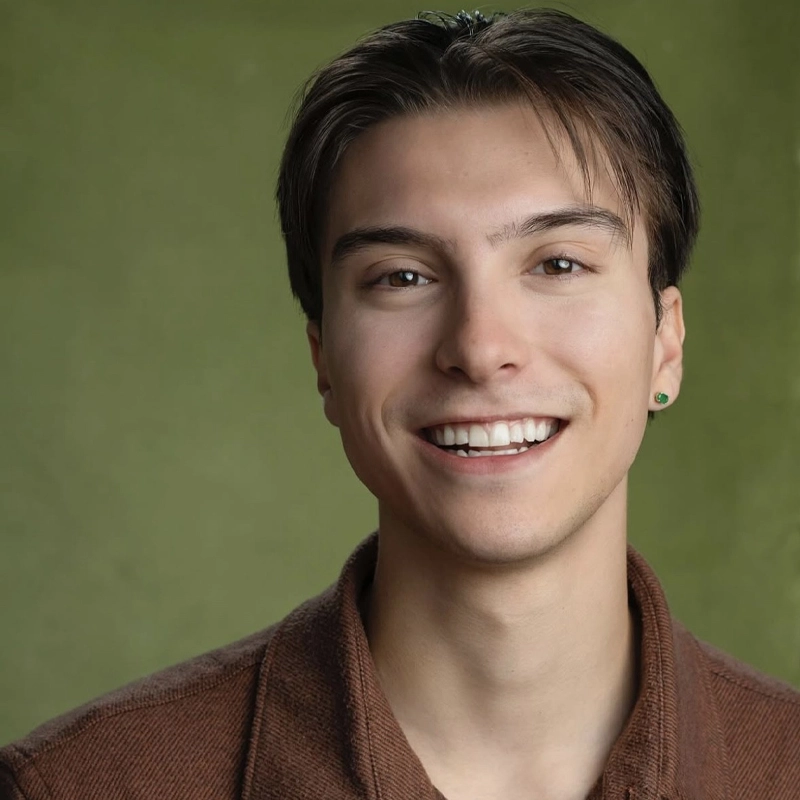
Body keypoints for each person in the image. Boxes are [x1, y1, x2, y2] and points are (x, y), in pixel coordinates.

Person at [2, 8, 798, 800]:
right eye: (402, 277)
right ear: (323, 357)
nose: (480, 347)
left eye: (557, 264)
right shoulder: (75, 787)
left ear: (666, 342)